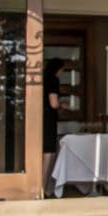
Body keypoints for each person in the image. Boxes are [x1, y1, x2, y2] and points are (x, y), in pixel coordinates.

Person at [42, 58, 64, 197]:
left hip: (39, 119)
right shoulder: (53, 80)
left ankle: (40, 185)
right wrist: (63, 105)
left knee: (41, 153)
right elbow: (53, 103)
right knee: (48, 154)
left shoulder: (43, 78)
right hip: (49, 120)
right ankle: (42, 186)